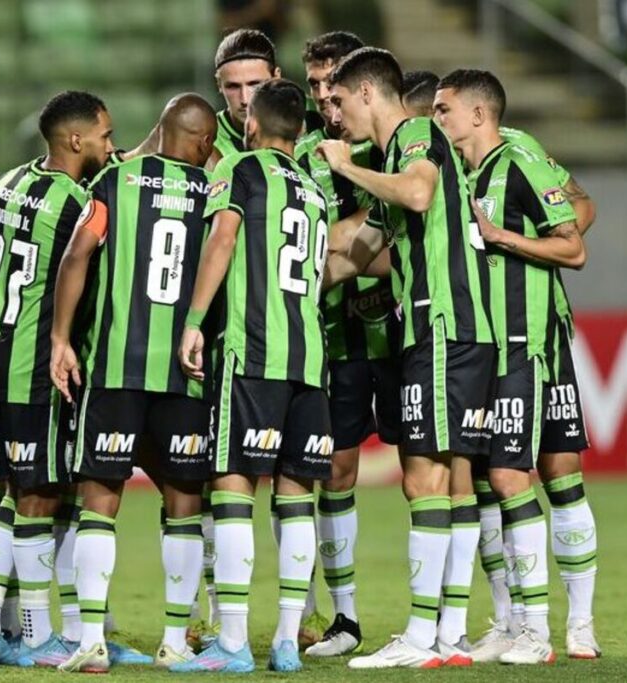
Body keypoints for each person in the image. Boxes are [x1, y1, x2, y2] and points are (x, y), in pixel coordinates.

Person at [319, 48, 495, 669]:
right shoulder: (398, 154)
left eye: (338, 101)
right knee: (444, 478)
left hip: (444, 327)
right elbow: (362, 249)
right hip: (444, 330)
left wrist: (346, 168)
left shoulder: (416, 133)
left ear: (368, 93)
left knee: (425, 478)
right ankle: (445, 632)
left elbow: (418, 196)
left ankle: (423, 635)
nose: (333, 116)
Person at [49, 93, 218, 674]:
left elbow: (78, 253)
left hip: (115, 369)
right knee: (184, 503)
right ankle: (175, 642)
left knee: (100, 501)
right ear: (199, 141)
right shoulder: (213, 193)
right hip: (183, 373)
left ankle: (90, 639)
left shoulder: (115, 182)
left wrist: (61, 338)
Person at [173, 78, 332, 674]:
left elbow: (222, 239)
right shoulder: (314, 189)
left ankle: (234, 643)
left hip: (254, 353)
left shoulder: (241, 168)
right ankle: (288, 641)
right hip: (310, 361)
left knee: (234, 487)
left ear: (252, 124)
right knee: (296, 497)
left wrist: (194, 321)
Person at [432, 68, 588, 665]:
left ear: (477, 114)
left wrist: (502, 238)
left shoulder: (518, 161)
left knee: (511, 478)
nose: (437, 120)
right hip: (482, 348)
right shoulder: (464, 173)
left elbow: (573, 246)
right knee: (488, 481)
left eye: (444, 110)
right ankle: (514, 624)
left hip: (521, 343)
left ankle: (538, 630)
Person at [0, 90, 114, 668]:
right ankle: (34, 634)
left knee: (4, 487)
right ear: (75, 140)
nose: (109, 143)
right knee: (40, 494)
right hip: (33, 362)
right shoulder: (83, 201)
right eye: (103, 134)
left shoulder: (6, 183)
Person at [293, 30, 398, 658]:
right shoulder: (307, 152)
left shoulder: (397, 145)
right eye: (314, 85)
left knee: (443, 472)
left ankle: (465, 618)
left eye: (334, 81)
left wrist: (345, 244)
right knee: (333, 469)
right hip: (338, 337)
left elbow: (397, 233)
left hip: (408, 333)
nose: (325, 96)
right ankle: (344, 618)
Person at [210, 28, 282, 168]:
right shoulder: (205, 139)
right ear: (219, 84)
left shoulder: (306, 127)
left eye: (255, 84)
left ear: (276, 78)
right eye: (233, 86)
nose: (245, 100)